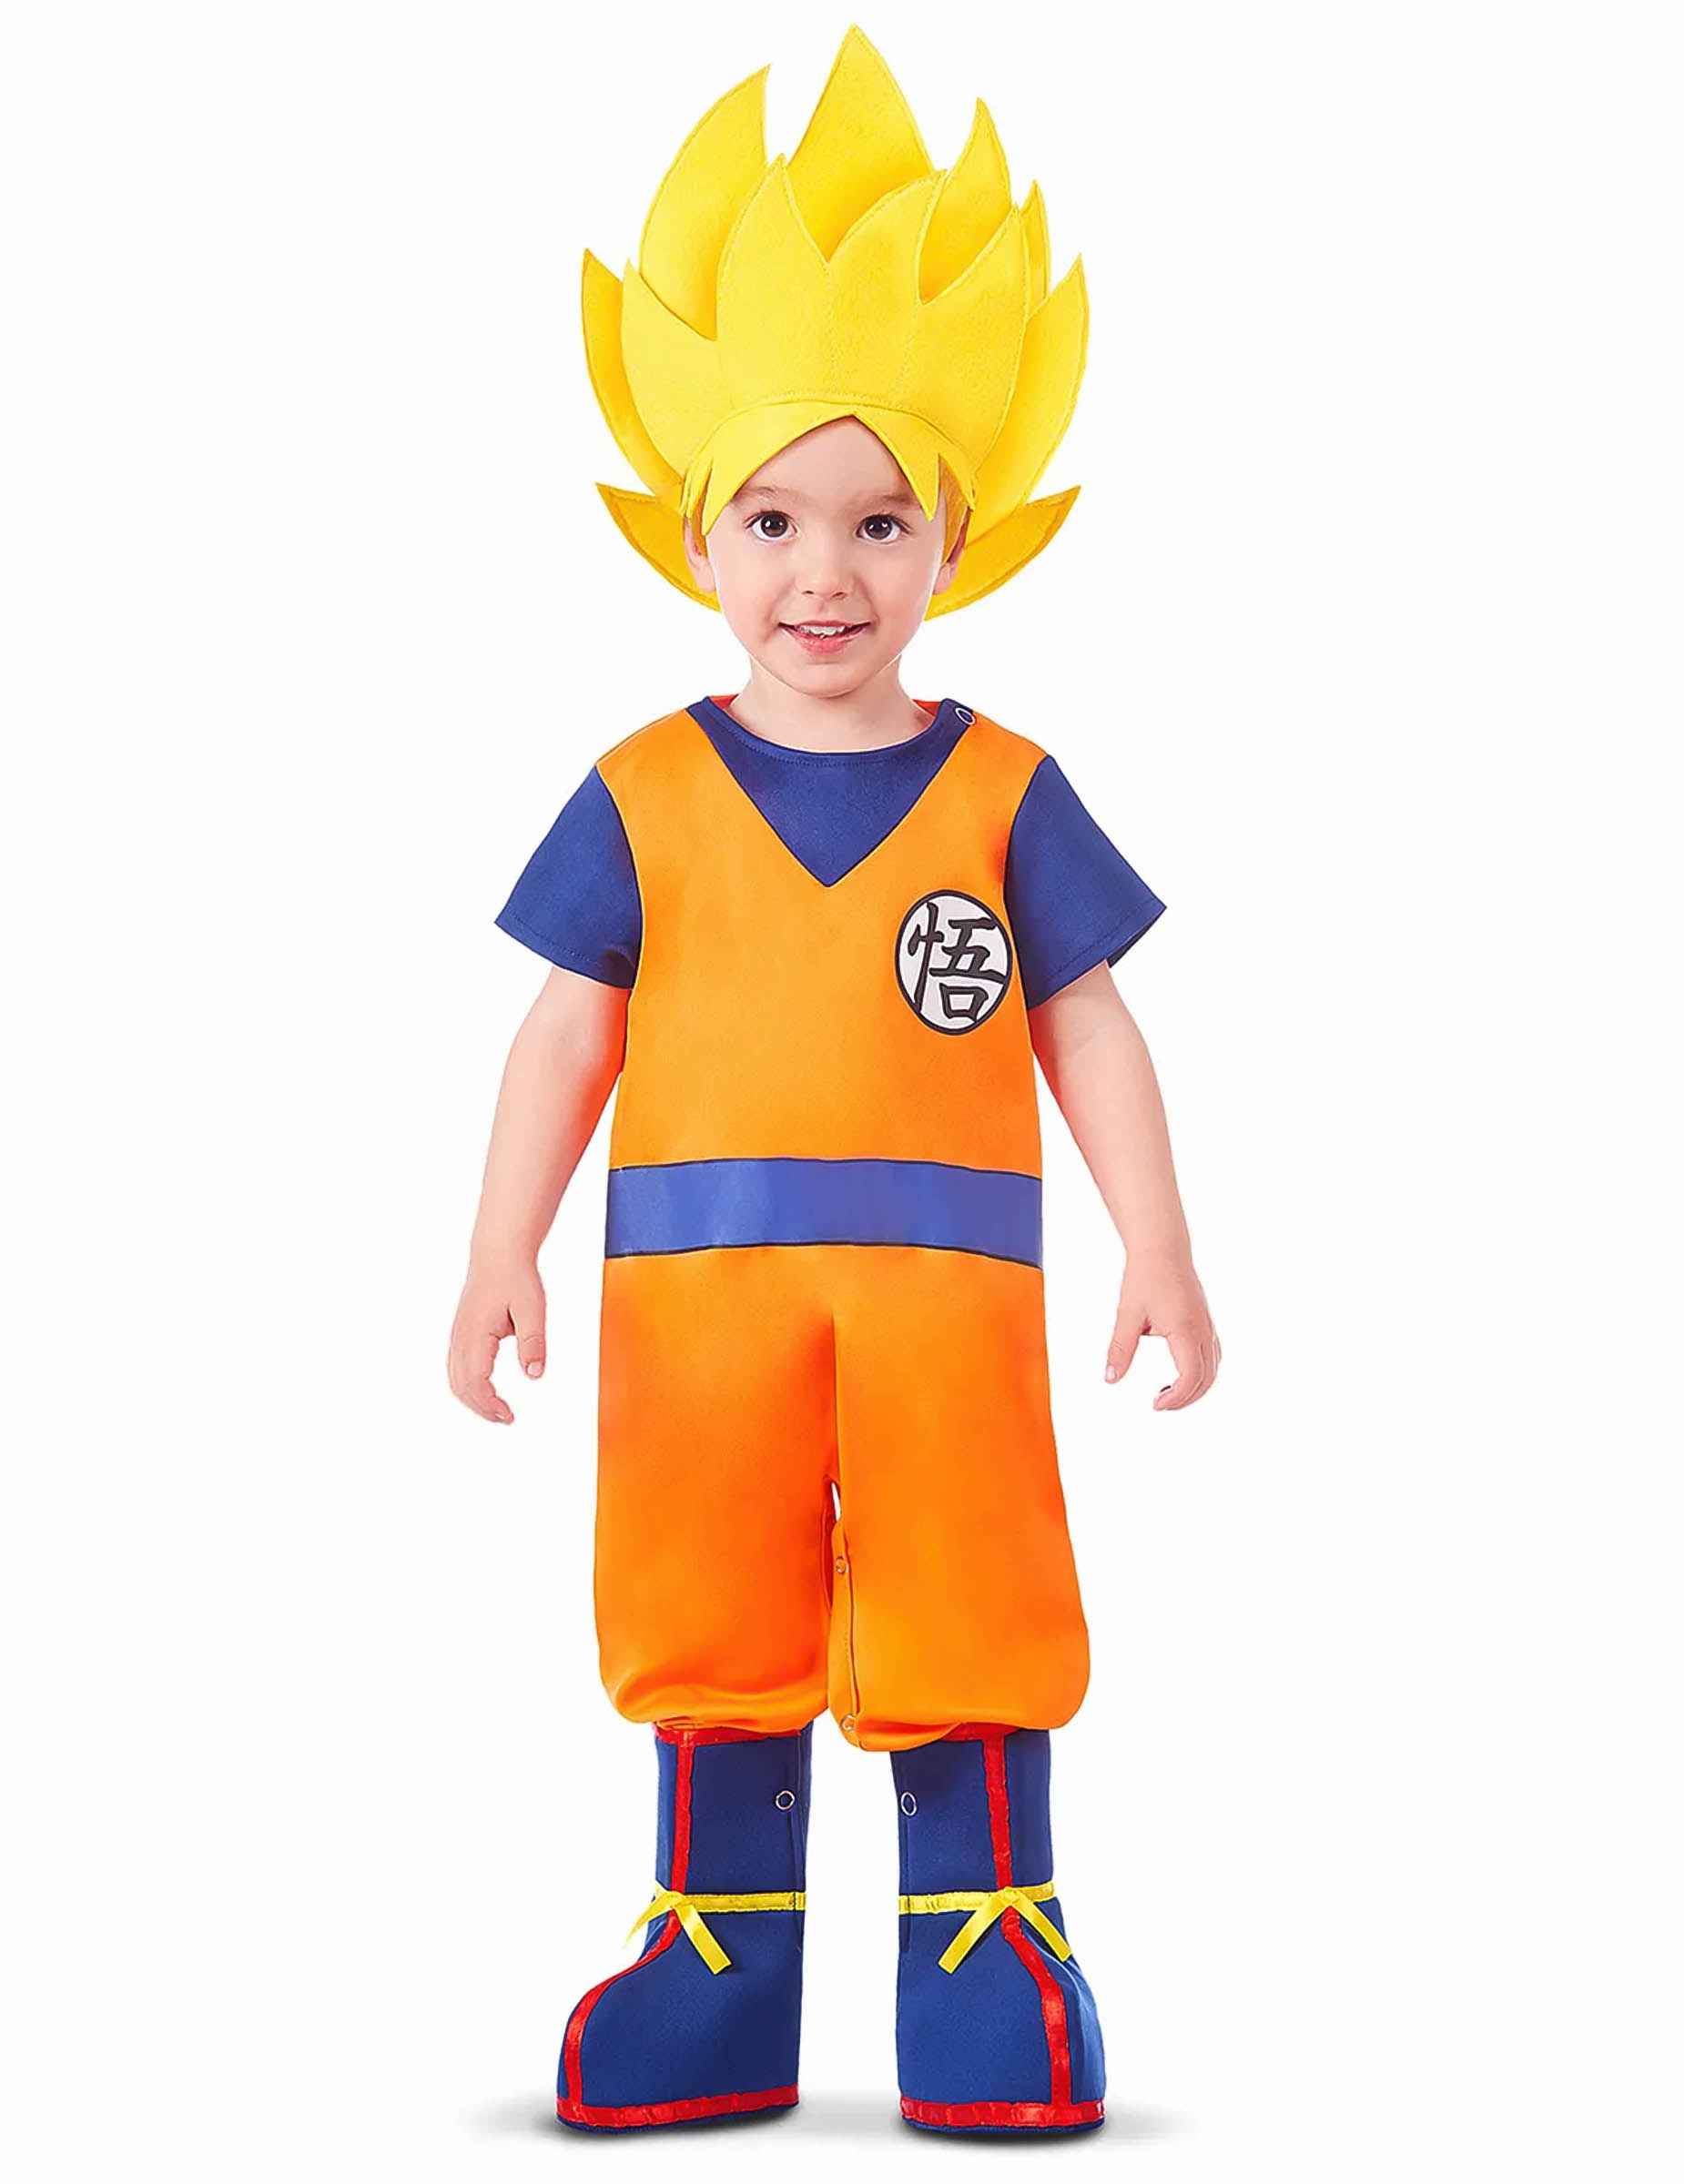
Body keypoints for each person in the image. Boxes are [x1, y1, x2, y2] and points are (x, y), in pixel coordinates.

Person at [448, 24, 1219, 2138]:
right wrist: (500, 1250)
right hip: (695, 1303)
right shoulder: (641, 793)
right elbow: (566, 1029)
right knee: (705, 1594)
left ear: (955, 538)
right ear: (693, 536)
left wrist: (1157, 1247)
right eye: (773, 516)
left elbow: (1085, 1020)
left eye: (880, 523)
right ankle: (717, 1953)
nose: (824, 573)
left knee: (967, 1587)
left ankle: (990, 1942)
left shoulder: (1004, 791)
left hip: (948, 1303)